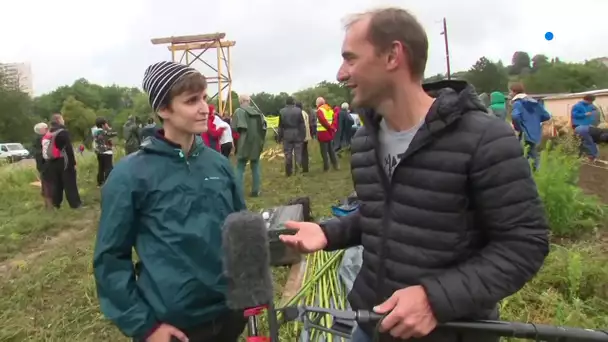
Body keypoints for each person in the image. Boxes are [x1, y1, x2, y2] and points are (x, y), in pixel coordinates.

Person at [280, 8, 549, 342]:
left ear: (393, 55)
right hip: (370, 322)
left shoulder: (484, 138)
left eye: (350, 59)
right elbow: (388, 214)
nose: (340, 74)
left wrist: (434, 299)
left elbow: (524, 244)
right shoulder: (366, 140)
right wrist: (329, 233)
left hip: (450, 331)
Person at [93, 61, 247, 342]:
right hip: (174, 327)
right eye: (191, 101)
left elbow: (240, 230)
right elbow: (111, 259)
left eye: (204, 97)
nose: (205, 108)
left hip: (229, 315)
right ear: (163, 109)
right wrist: (145, 327)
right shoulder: (130, 175)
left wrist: (249, 290)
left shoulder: (219, 165)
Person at [43, 113, 82, 209]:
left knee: (56, 183)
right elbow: (68, 149)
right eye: (62, 119)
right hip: (64, 161)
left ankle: (56, 204)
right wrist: (73, 163)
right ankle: (75, 204)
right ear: (59, 120)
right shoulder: (62, 132)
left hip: (51, 162)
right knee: (70, 183)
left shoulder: (48, 133)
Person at [510, 83, 551, 170]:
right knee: (533, 153)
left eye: (511, 92)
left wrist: (518, 127)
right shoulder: (535, 102)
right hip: (536, 132)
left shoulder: (518, 103)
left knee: (525, 154)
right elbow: (546, 115)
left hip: (525, 132)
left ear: (514, 92)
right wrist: (535, 121)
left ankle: (531, 175)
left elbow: (515, 116)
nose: (510, 94)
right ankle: (536, 173)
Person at [232, 93, 267, 197]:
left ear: (240, 101)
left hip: (244, 141)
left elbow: (234, 128)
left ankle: (238, 192)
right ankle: (256, 191)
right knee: (255, 166)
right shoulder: (257, 112)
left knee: (240, 167)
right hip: (257, 141)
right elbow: (264, 127)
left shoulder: (239, 111)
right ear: (249, 101)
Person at [278, 96, 306, 176]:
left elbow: (280, 126)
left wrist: (279, 138)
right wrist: (303, 135)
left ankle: (288, 172)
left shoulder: (282, 111)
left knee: (288, 154)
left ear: (286, 103)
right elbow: (302, 125)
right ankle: (298, 172)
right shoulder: (298, 110)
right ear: (293, 102)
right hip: (297, 134)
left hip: (287, 134)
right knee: (298, 154)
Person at [571, 94, 599, 159]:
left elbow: (593, 113)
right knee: (586, 140)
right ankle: (589, 155)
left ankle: (584, 155)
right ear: (587, 100)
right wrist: (584, 114)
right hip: (579, 125)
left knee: (586, 141)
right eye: (591, 101)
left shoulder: (590, 106)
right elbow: (574, 115)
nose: (592, 103)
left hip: (587, 125)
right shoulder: (577, 106)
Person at [33, 122, 53, 209]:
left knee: (46, 185)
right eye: (46, 128)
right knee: (47, 186)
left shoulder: (36, 140)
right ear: (41, 130)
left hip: (42, 166)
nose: (48, 129)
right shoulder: (43, 140)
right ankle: (49, 207)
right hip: (46, 165)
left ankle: (48, 205)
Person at [315, 97, 339, 171]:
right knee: (331, 150)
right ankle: (336, 165)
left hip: (323, 133)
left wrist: (329, 127)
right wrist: (333, 128)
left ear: (318, 103)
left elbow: (323, 120)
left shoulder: (319, 110)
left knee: (324, 152)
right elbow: (335, 119)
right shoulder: (330, 109)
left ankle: (326, 167)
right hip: (330, 133)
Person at [92, 117, 117, 187]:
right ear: (103, 125)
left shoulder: (95, 132)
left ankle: (100, 182)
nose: (107, 125)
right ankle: (109, 183)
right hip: (106, 151)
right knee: (108, 167)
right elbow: (112, 134)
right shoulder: (102, 132)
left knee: (101, 167)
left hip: (99, 152)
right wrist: (109, 129)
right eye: (106, 124)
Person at [296, 101, 312, 173]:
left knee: (299, 152)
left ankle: (299, 168)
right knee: (305, 152)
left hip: (301, 135)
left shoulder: (298, 113)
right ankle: (306, 168)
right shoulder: (305, 113)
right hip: (306, 135)